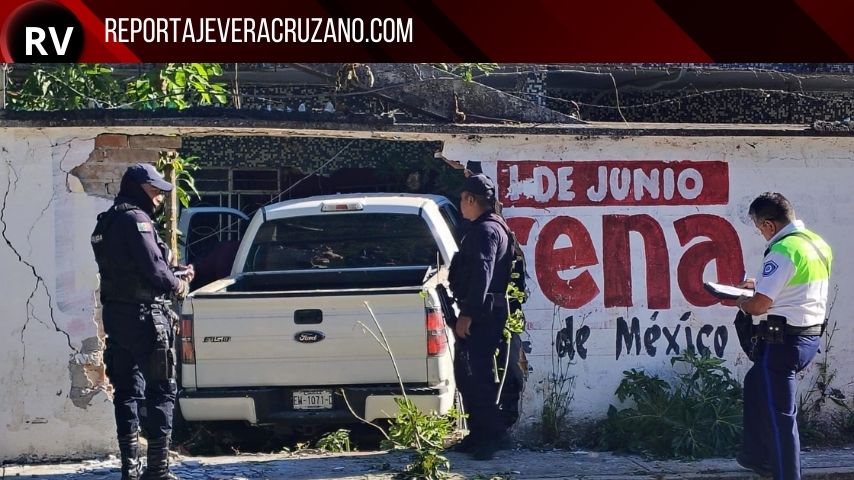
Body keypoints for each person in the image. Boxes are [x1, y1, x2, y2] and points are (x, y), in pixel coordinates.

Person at [91, 163, 194, 480]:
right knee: (162, 390)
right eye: (154, 190)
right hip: (146, 319)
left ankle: (130, 470)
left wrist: (171, 274)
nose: (160, 198)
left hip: (117, 318)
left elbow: (130, 270)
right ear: (137, 187)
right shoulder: (136, 219)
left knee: (126, 392)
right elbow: (153, 270)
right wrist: (179, 282)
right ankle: (158, 471)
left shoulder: (106, 221)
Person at [734, 192, 832, 480]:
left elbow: (759, 305)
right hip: (807, 338)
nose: (759, 233)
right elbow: (794, 289)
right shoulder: (816, 244)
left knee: (781, 418)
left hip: (781, 343)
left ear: (768, 225)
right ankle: (755, 457)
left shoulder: (783, 250)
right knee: (754, 384)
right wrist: (758, 283)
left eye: (757, 226)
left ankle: (786, 474)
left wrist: (739, 299)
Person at [448, 173, 513, 460]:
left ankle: (492, 436)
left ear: (471, 199)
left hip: (483, 315)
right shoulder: (484, 228)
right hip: (482, 312)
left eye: (463, 199)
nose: (460, 205)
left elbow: (482, 275)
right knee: (467, 375)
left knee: (479, 376)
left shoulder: (487, 231)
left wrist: (468, 314)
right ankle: (477, 434)